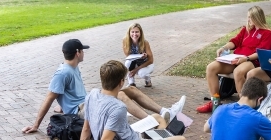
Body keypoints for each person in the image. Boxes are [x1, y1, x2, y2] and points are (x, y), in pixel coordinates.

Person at [21, 39, 182, 134]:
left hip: (87, 103)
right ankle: (152, 123)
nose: (84, 53)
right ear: (77, 52)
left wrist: (63, 105)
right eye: (82, 50)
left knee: (131, 89)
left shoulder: (73, 67)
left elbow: (63, 94)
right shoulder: (62, 73)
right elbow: (49, 98)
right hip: (82, 110)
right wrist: (36, 125)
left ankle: (165, 112)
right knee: (120, 95)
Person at [197, 6, 271, 113]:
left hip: (252, 61)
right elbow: (235, 41)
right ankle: (214, 102)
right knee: (211, 68)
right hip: (236, 59)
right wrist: (224, 47)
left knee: (238, 72)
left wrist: (246, 58)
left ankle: (243, 106)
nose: (249, 20)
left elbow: (261, 52)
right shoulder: (246, 30)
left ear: (258, 18)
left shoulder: (268, 34)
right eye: (248, 17)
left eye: (251, 17)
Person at [80, 60, 186, 140]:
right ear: (121, 82)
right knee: (181, 139)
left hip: (131, 132)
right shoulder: (118, 107)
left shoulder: (92, 94)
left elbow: (86, 129)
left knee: (158, 118)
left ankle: (159, 133)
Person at [203, 77, 271, 140]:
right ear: (260, 99)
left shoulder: (220, 109)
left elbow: (206, 128)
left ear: (242, 93)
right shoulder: (257, 119)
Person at [123, 23, 154, 87]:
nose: (134, 34)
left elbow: (151, 60)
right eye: (132, 32)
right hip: (135, 62)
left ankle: (148, 79)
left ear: (140, 33)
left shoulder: (145, 42)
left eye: (137, 32)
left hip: (146, 63)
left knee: (141, 73)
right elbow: (127, 56)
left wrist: (136, 69)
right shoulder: (125, 41)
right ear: (129, 33)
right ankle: (131, 83)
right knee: (127, 63)